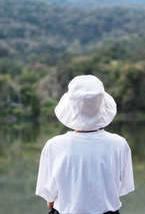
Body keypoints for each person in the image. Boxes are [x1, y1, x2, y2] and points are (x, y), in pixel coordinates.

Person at [35, 75, 135, 214]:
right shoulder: (119, 144)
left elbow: (49, 197)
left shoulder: (54, 145)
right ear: (101, 105)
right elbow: (119, 189)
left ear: (71, 107)